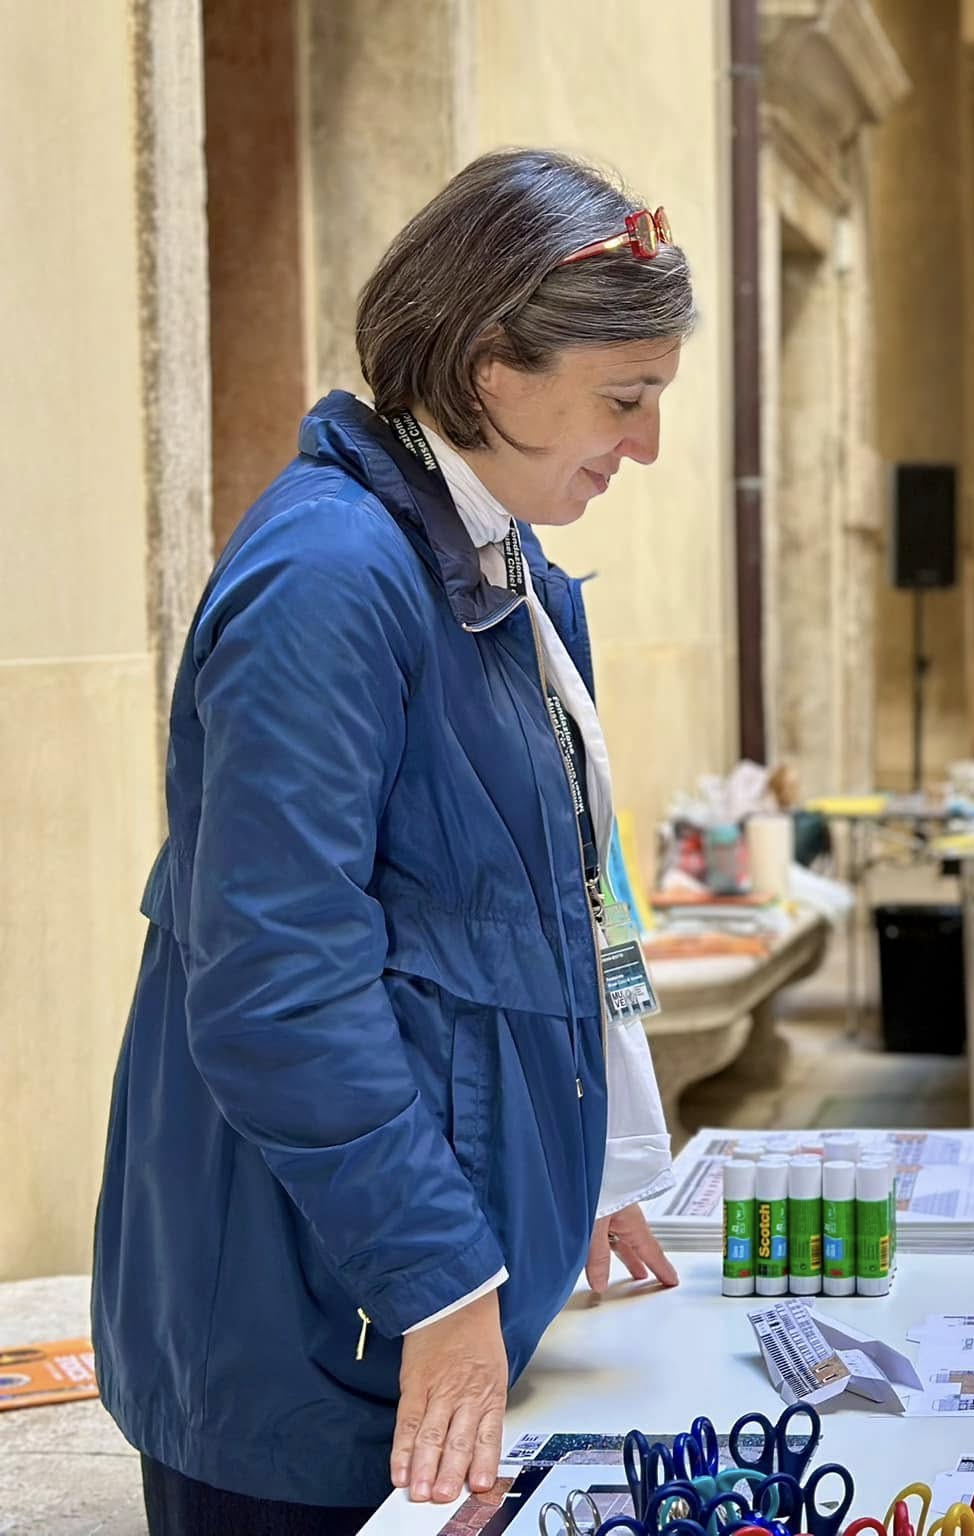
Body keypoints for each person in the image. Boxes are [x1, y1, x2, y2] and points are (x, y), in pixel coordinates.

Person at [92, 149, 698, 1534]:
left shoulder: (516, 572)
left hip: (427, 1294)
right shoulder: (328, 582)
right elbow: (277, 989)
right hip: (314, 1328)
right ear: (493, 370)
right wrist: (439, 1275)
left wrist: (580, 1160)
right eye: (626, 398)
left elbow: (533, 914)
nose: (647, 445)